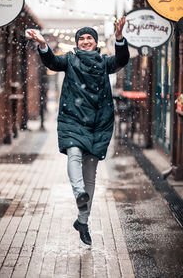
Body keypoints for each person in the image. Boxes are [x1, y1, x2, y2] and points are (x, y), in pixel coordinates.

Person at [27, 17, 129, 245]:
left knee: (90, 172)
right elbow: (52, 63)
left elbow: (122, 60)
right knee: (74, 154)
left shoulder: (104, 62)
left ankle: (82, 221)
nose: (85, 41)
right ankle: (79, 192)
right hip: (73, 119)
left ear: (95, 42)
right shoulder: (70, 60)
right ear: (76, 43)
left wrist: (120, 37)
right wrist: (43, 45)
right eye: (81, 38)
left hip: (98, 123)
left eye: (89, 38)